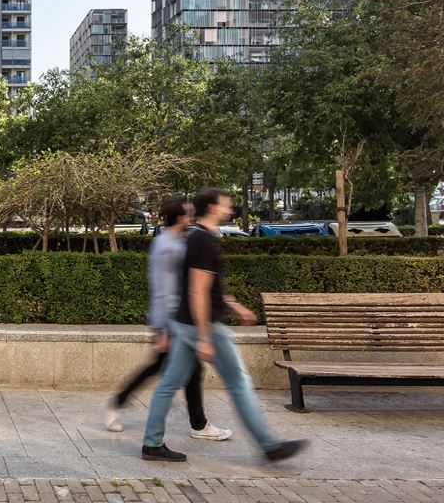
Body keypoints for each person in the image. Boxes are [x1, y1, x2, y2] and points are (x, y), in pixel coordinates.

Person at [142, 188, 305, 465]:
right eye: (226, 204)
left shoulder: (194, 237)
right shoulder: (203, 241)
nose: (230, 209)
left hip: (185, 323)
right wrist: (205, 337)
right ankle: (268, 445)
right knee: (239, 383)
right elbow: (198, 291)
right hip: (202, 326)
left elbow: (207, 287)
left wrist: (235, 306)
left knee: (169, 383)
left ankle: (152, 443)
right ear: (213, 208)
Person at [104, 195, 227, 440]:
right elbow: (163, 289)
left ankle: (197, 423)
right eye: (189, 213)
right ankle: (197, 424)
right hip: (171, 321)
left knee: (183, 371)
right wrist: (163, 328)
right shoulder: (168, 246)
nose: (192, 217)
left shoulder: (171, 241)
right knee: (172, 370)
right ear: (180, 217)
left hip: (175, 320)